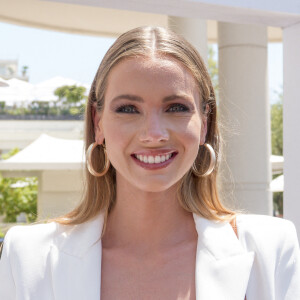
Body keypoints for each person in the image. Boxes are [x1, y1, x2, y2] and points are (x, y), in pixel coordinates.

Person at [0, 26, 299, 300]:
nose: (153, 134)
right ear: (98, 121)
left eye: (176, 108)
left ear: (205, 123)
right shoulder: (27, 257)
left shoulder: (270, 250)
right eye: (129, 109)